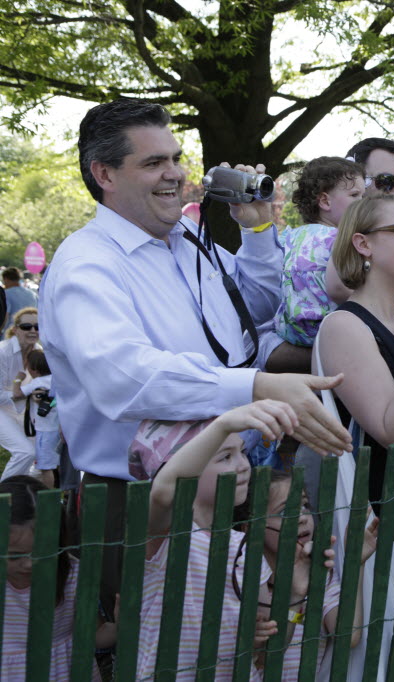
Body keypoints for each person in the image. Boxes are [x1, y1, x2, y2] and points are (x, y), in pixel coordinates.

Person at [39, 98, 352, 623]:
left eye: (176, 158)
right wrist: (254, 388)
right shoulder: (86, 263)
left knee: (247, 641)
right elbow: (121, 377)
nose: (176, 174)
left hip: (234, 480)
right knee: (171, 649)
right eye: (154, 162)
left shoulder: (187, 239)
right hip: (145, 500)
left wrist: (256, 231)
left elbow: (257, 309)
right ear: (104, 174)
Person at [132, 399, 332, 679]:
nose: (242, 465)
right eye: (224, 457)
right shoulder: (166, 536)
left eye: (242, 452)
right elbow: (164, 491)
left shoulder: (244, 548)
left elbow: (266, 655)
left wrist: (295, 593)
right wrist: (223, 424)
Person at [256, 469, 379, 676]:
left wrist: (355, 563)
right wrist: (295, 599)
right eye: (285, 512)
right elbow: (262, 659)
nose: (302, 518)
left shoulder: (321, 576)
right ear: (249, 527)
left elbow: (347, 636)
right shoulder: (241, 582)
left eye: (304, 506)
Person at [1, 475, 112, 681]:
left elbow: (94, 634)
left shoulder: (72, 573)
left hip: (64, 672)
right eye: (15, 556)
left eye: (42, 552)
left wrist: (123, 624)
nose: (29, 564)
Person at [262, 156, 365, 374]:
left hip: (290, 333)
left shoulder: (288, 237)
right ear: (325, 201)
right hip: (330, 332)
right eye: (355, 195)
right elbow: (341, 289)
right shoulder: (340, 238)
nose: (363, 203)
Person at [0, 307, 40, 481]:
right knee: (25, 452)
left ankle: (20, 493)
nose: (33, 330)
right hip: (4, 408)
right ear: (15, 329)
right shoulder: (3, 352)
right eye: (26, 326)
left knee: (38, 455)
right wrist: (23, 393)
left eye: (38, 326)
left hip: (21, 409)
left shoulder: (39, 352)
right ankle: (5, 493)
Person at [21, 349, 59, 489]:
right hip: (58, 428)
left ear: (33, 369)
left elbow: (17, 393)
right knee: (59, 464)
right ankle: (66, 495)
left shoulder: (36, 382)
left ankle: (48, 497)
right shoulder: (55, 379)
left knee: (45, 468)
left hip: (44, 431)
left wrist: (18, 378)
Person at [1, 268, 37, 333]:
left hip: (10, 333)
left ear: (6, 279)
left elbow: (5, 316)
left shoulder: (6, 294)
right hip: (30, 332)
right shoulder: (32, 294)